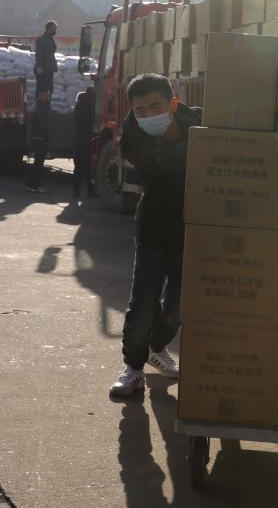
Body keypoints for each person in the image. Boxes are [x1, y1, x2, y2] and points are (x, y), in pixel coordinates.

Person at [109, 73, 201, 397]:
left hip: (194, 228)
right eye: (140, 110)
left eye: (156, 107)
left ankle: (156, 348)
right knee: (144, 304)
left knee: (178, 307)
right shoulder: (132, 139)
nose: (148, 115)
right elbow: (163, 161)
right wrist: (208, 145)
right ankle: (133, 369)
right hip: (154, 227)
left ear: (173, 103)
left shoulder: (198, 121)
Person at [26, 91, 51, 194]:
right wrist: (47, 136)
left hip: (35, 138)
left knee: (36, 163)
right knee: (39, 164)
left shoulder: (34, 107)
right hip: (40, 139)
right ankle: (36, 186)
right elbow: (42, 125)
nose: (48, 98)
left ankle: (30, 185)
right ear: (41, 96)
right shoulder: (40, 109)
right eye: (47, 96)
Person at [72, 88, 93, 204]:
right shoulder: (90, 108)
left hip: (77, 140)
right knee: (89, 167)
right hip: (87, 140)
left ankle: (76, 190)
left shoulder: (77, 108)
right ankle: (90, 190)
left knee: (77, 167)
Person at [34, 20, 59, 97]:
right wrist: (39, 66)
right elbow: (39, 54)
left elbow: (51, 54)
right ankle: (41, 104)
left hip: (49, 69)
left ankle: (47, 103)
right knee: (42, 90)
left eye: (55, 29)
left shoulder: (50, 39)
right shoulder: (42, 39)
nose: (55, 31)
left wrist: (54, 65)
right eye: (53, 29)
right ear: (48, 28)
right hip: (43, 69)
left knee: (49, 90)